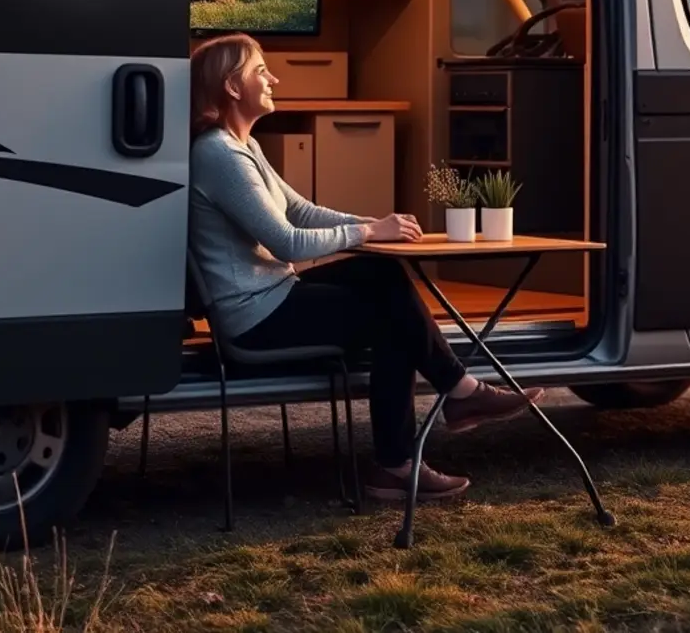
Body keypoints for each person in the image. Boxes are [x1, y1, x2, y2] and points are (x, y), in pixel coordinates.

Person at [188, 32, 543, 502]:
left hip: (276, 296)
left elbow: (300, 210)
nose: (273, 78)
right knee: (392, 321)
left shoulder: (244, 147)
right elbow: (287, 241)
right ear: (233, 88)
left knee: (384, 275)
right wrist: (368, 234)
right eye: (260, 71)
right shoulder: (217, 153)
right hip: (255, 319)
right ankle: (411, 449)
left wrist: (371, 223)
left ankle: (453, 400)